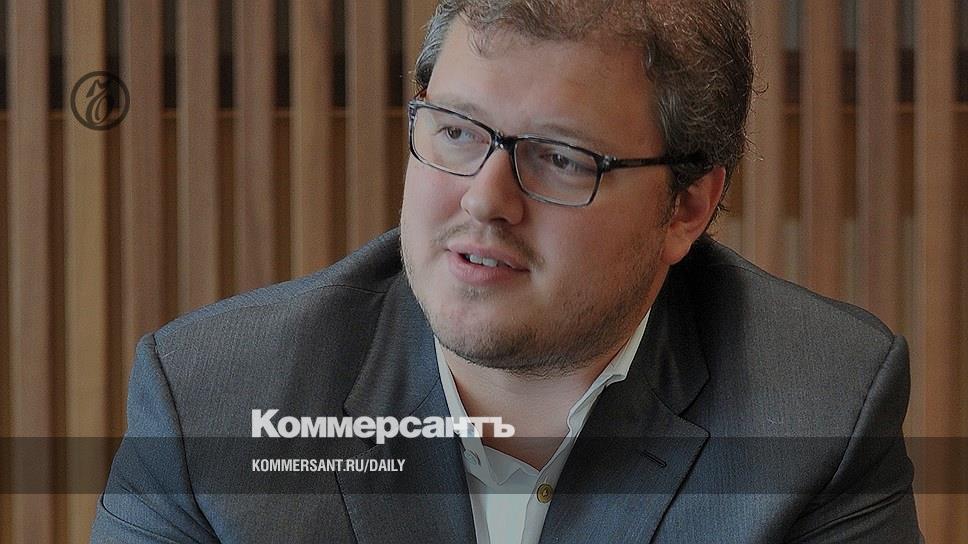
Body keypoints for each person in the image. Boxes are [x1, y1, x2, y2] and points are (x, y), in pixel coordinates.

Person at [92, 0, 922, 542]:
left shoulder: (818, 410)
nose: (485, 200)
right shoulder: (213, 401)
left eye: (560, 157)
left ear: (686, 208)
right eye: (457, 131)